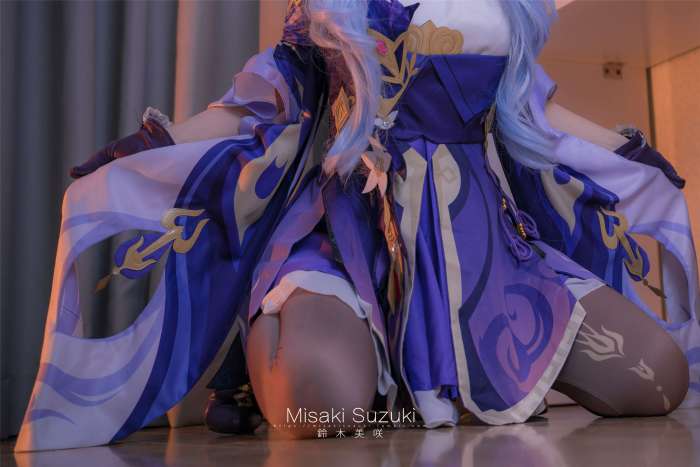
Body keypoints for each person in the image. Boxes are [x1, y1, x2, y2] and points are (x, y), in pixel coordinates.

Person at [16, 0, 698, 451]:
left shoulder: (507, 6)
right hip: (353, 243)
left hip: (485, 255)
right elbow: (260, 105)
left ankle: (415, 385)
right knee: (319, 408)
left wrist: (630, 151)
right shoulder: (328, 6)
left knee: (657, 379)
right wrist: (155, 143)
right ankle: (276, 362)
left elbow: (535, 113)